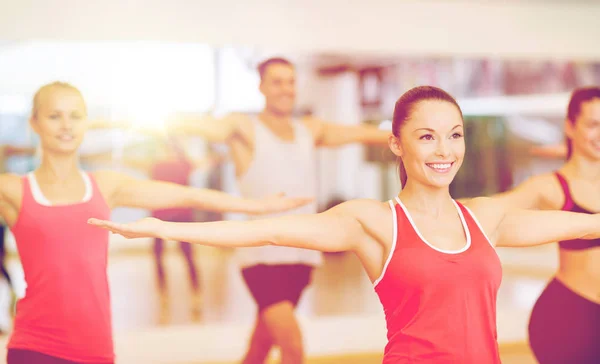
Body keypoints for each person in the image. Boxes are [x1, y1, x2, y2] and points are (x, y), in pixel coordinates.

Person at [90, 85, 600, 364]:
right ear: (398, 144)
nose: (445, 151)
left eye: (455, 135)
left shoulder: (484, 216)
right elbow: (270, 232)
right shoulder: (372, 222)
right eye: (427, 137)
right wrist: (166, 230)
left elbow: (579, 226)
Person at [0, 81, 312, 364]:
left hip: (94, 349)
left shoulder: (105, 185)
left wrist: (255, 205)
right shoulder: (14, 190)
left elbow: (189, 196)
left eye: (76, 116)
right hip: (34, 347)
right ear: (34, 123)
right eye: (55, 116)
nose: (66, 125)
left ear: (86, 123)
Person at [160, 57, 391, 363]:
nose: (285, 89)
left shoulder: (310, 129)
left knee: (259, 348)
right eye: (277, 81)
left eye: (290, 81)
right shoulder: (244, 127)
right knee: (292, 346)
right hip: (262, 259)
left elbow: (359, 133)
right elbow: (214, 129)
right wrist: (169, 118)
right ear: (262, 87)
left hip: (302, 257)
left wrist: (403, 136)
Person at [471, 86, 600, 363]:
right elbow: (491, 210)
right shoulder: (551, 187)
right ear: (570, 126)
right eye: (593, 124)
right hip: (571, 319)